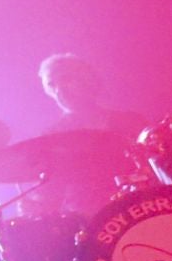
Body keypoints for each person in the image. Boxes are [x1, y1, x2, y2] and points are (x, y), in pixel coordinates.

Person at [35, 53, 145, 215]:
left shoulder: (130, 122)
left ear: (88, 80)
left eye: (66, 79)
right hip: (86, 219)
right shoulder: (51, 137)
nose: (60, 91)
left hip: (140, 207)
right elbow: (51, 192)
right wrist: (37, 204)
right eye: (52, 85)